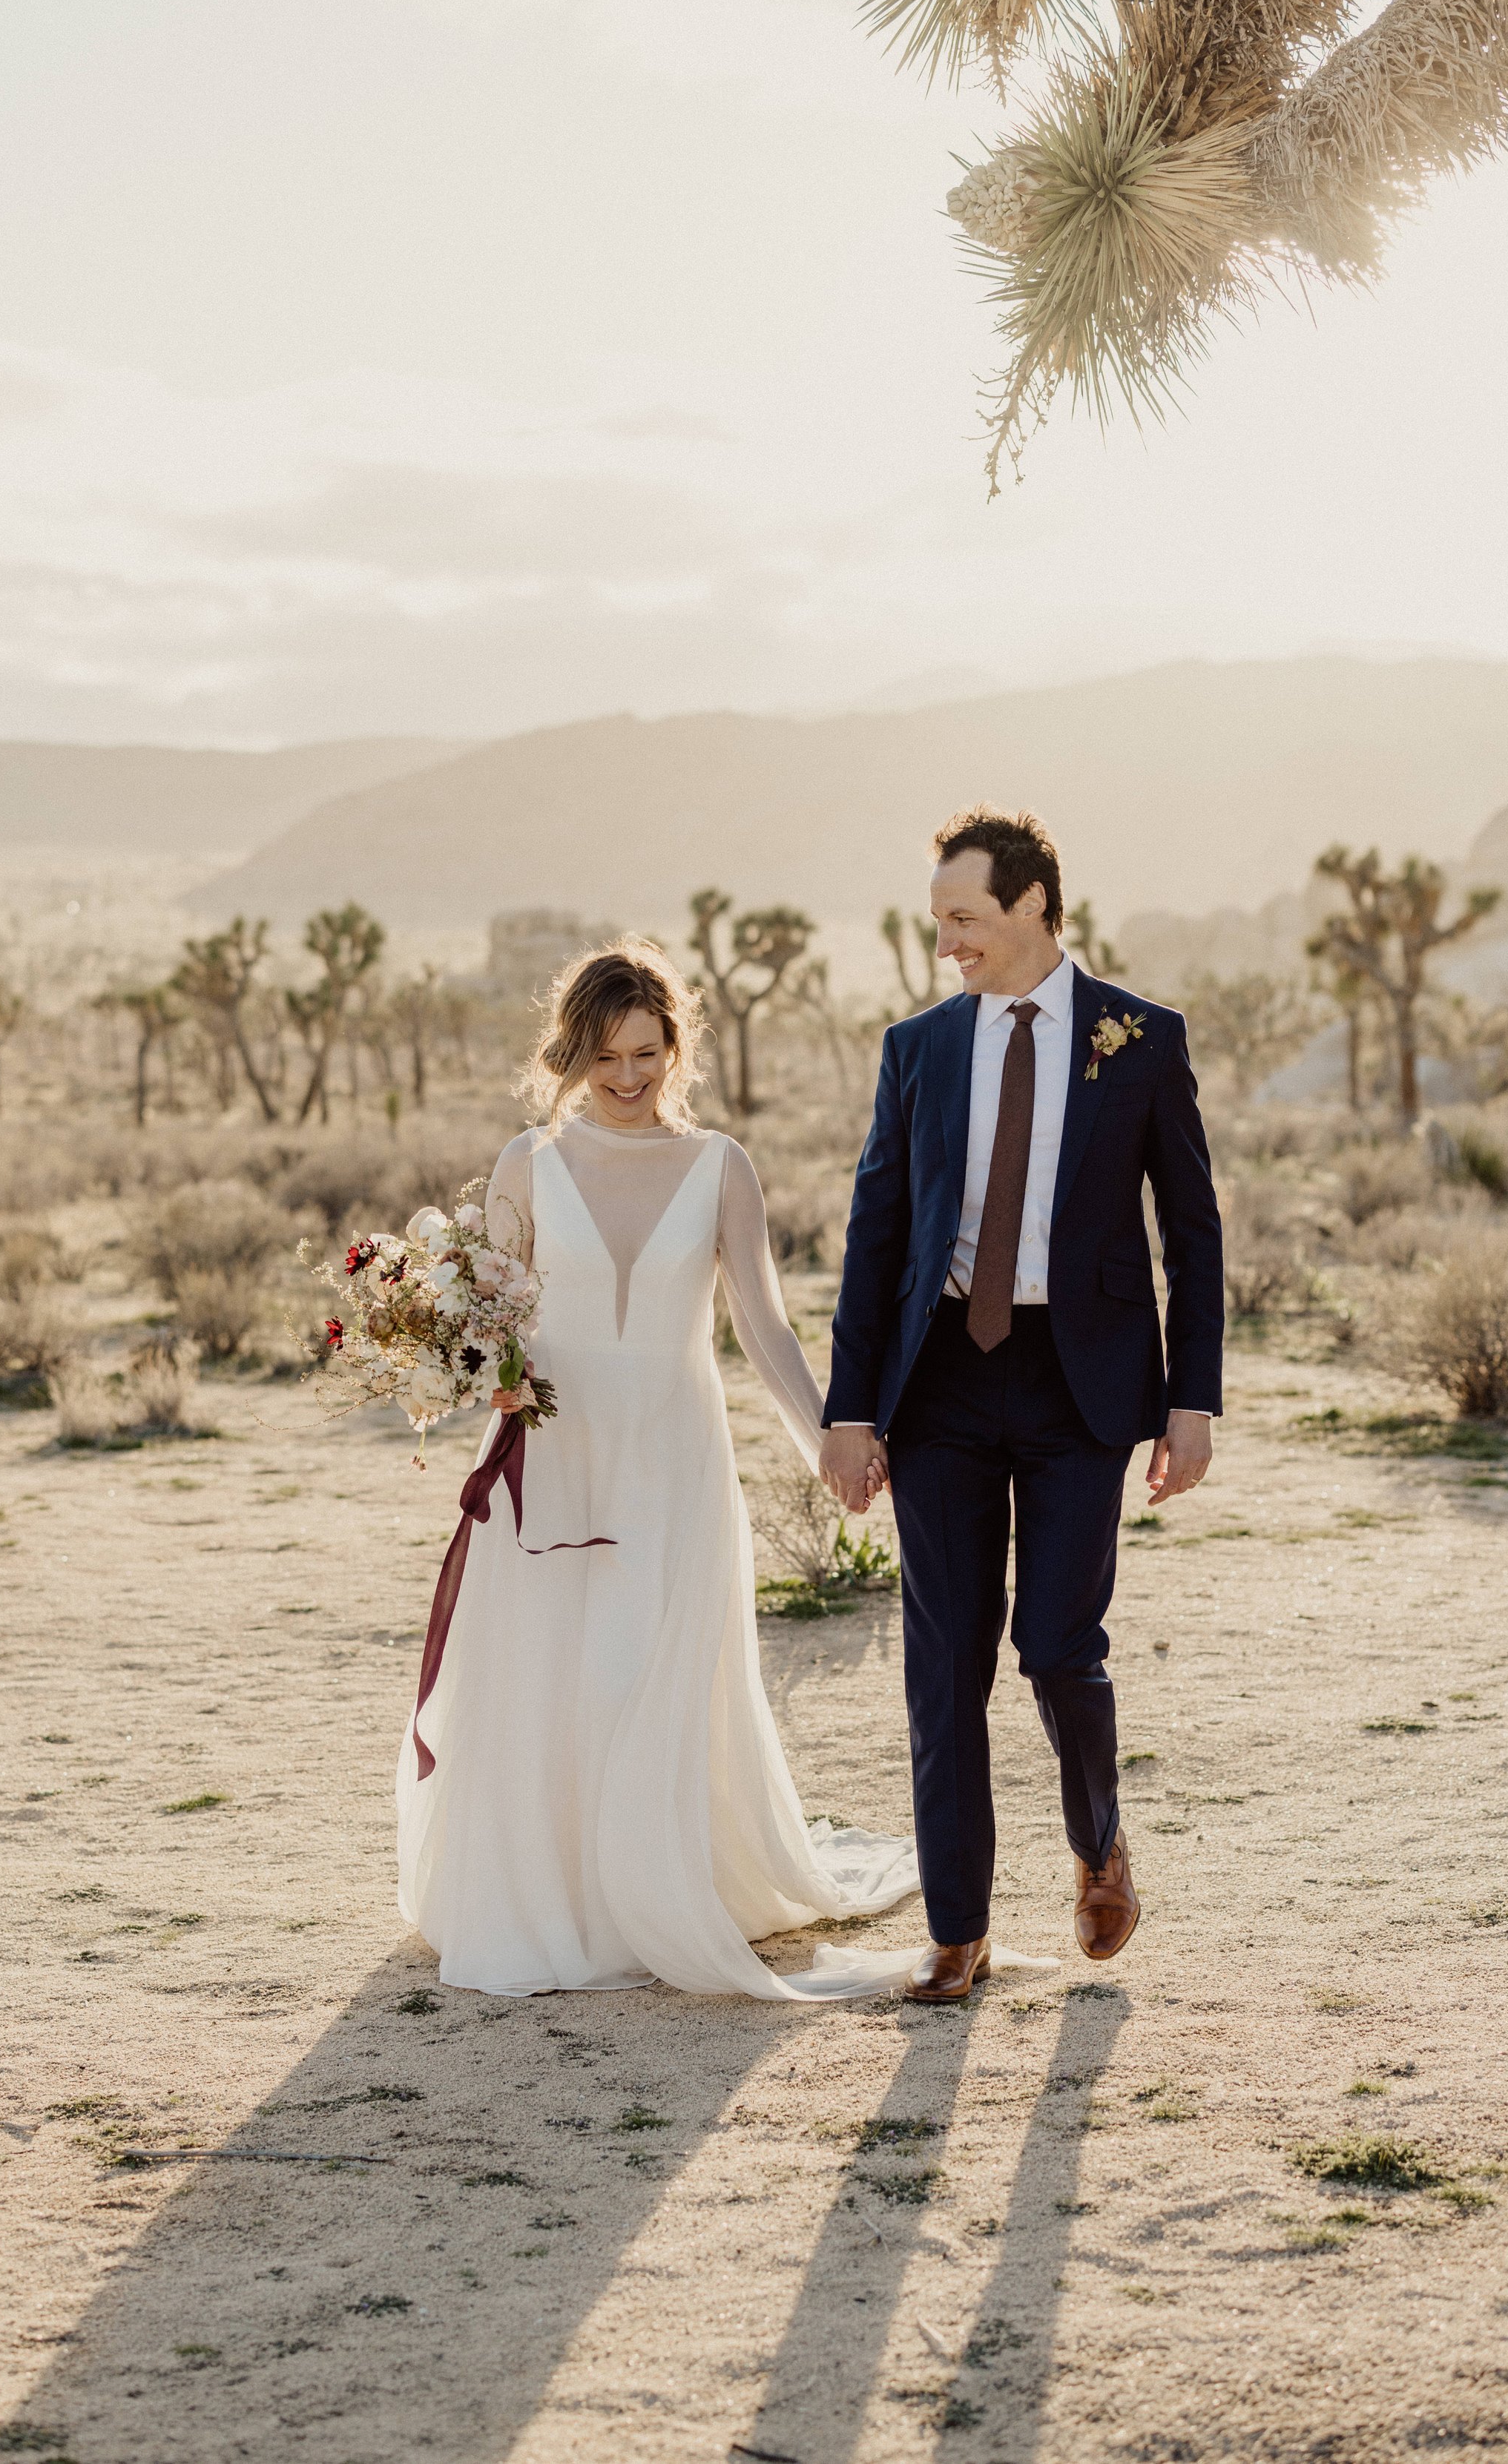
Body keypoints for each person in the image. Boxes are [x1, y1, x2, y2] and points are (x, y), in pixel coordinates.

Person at [396, 940, 917, 2000]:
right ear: (572, 1055)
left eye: (646, 1051)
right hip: (557, 1451)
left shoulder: (721, 1164)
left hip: (676, 1452)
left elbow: (764, 1328)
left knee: (650, 1669)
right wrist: (481, 1373)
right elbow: (493, 1322)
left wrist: (830, 1438)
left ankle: (656, 1885)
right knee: (555, 1667)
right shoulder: (526, 1165)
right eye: (605, 1056)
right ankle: (563, 1897)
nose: (628, 1077)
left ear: (676, 1045)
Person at [820, 807, 1224, 2000]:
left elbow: (1191, 1235)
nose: (949, 943)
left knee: (1057, 1646)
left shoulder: (1139, 1039)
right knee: (944, 1661)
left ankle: (1100, 1845)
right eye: (938, 920)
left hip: (1079, 1384)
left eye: (967, 919)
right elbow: (876, 1235)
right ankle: (959, 1928)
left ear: (1036, 904)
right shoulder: (921, 1048)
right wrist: (853, 1409)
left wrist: (1190, 1400)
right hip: (939, 1376)